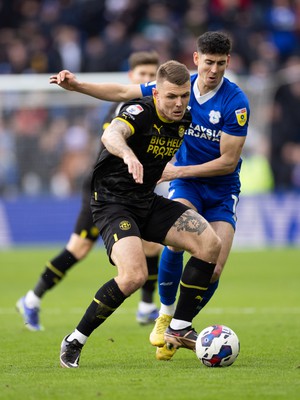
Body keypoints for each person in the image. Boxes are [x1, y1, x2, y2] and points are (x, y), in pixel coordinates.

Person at [49, 31, 249, 361]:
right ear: (156, 93)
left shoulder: (191, 112)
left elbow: (227, 158)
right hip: (113, 202)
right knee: (134, 276)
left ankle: (179, 324)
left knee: (211, 245)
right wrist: (126, 155)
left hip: (146, 199)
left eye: (184, 97)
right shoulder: (141, 110)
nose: (180, 103)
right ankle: (75, 339)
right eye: (172, 97)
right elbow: (114, 131)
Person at [16, 51, 162, 331]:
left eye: (151, 75)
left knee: (152, 243)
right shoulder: (124, 107)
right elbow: (113, 143)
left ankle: (146, 307)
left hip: (130, 189)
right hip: (104, 189)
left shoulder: (154, 108)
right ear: (131, 77)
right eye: (141, 75)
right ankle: (32, 299)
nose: (146, 79)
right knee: (79, 249)